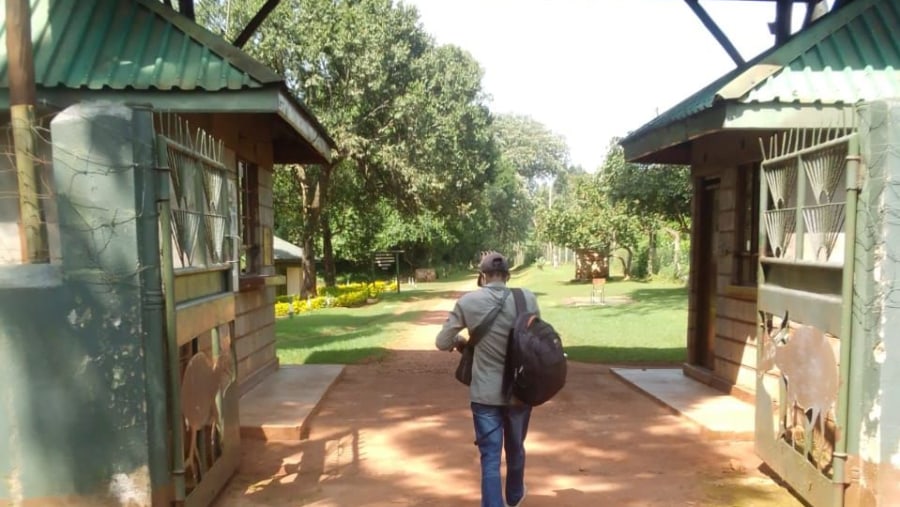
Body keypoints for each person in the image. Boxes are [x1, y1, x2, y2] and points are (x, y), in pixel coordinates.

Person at [435, 252, 540, 507]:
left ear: (482, 277)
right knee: (516, 448)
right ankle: (514, 495)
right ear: (508, 275)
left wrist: (463, 343)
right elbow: (536, 339)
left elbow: (442, 342)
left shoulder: (468, 302)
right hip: (520, 391)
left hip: (485, 394)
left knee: (490, 458)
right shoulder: (527, 298)